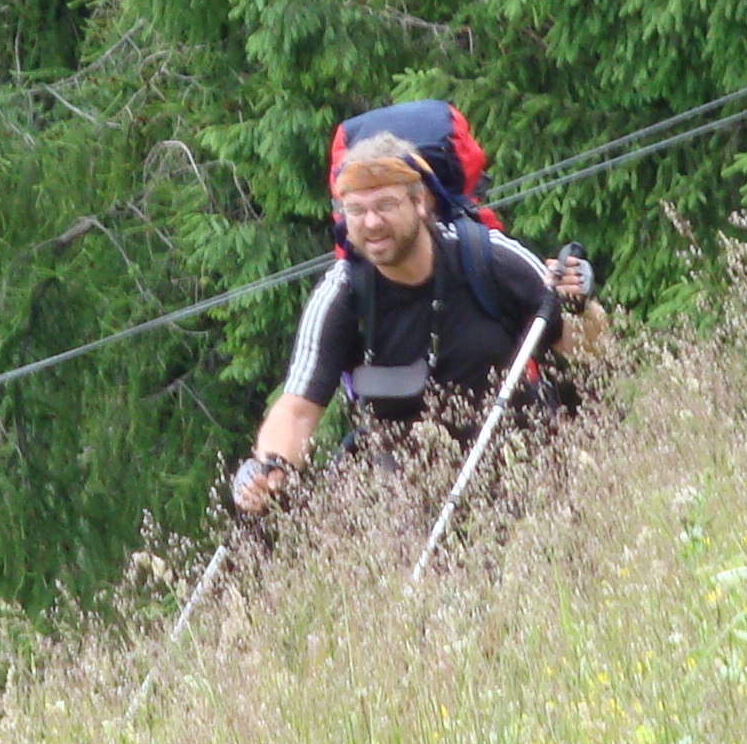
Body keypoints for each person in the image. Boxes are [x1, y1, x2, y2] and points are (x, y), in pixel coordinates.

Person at [228, 128, 601, 517]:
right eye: (355, 210)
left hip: (527, 480)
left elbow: (590, 347)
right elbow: (297, 409)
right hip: (408, 506)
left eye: (386, 204)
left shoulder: (489, 258)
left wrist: (581, 305)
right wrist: (270, 468)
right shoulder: (341, 295)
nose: (371, 222)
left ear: (421, 201)